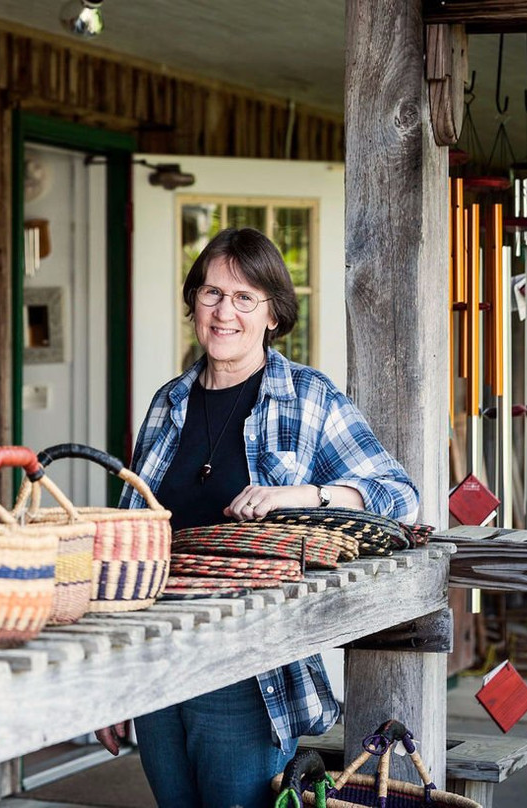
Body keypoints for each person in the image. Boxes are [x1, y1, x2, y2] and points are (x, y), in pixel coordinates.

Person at [95, 227, 420, 808]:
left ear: (273, 315)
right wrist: (111, 685)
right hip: (155, 658)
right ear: (193, 301)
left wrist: (307, 495)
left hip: (248, 672)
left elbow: (398, 494)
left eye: (245, 298)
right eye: (212, 293)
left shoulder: (308, 397)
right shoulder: (167, 404)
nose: (225, 312)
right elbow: (129, 542)